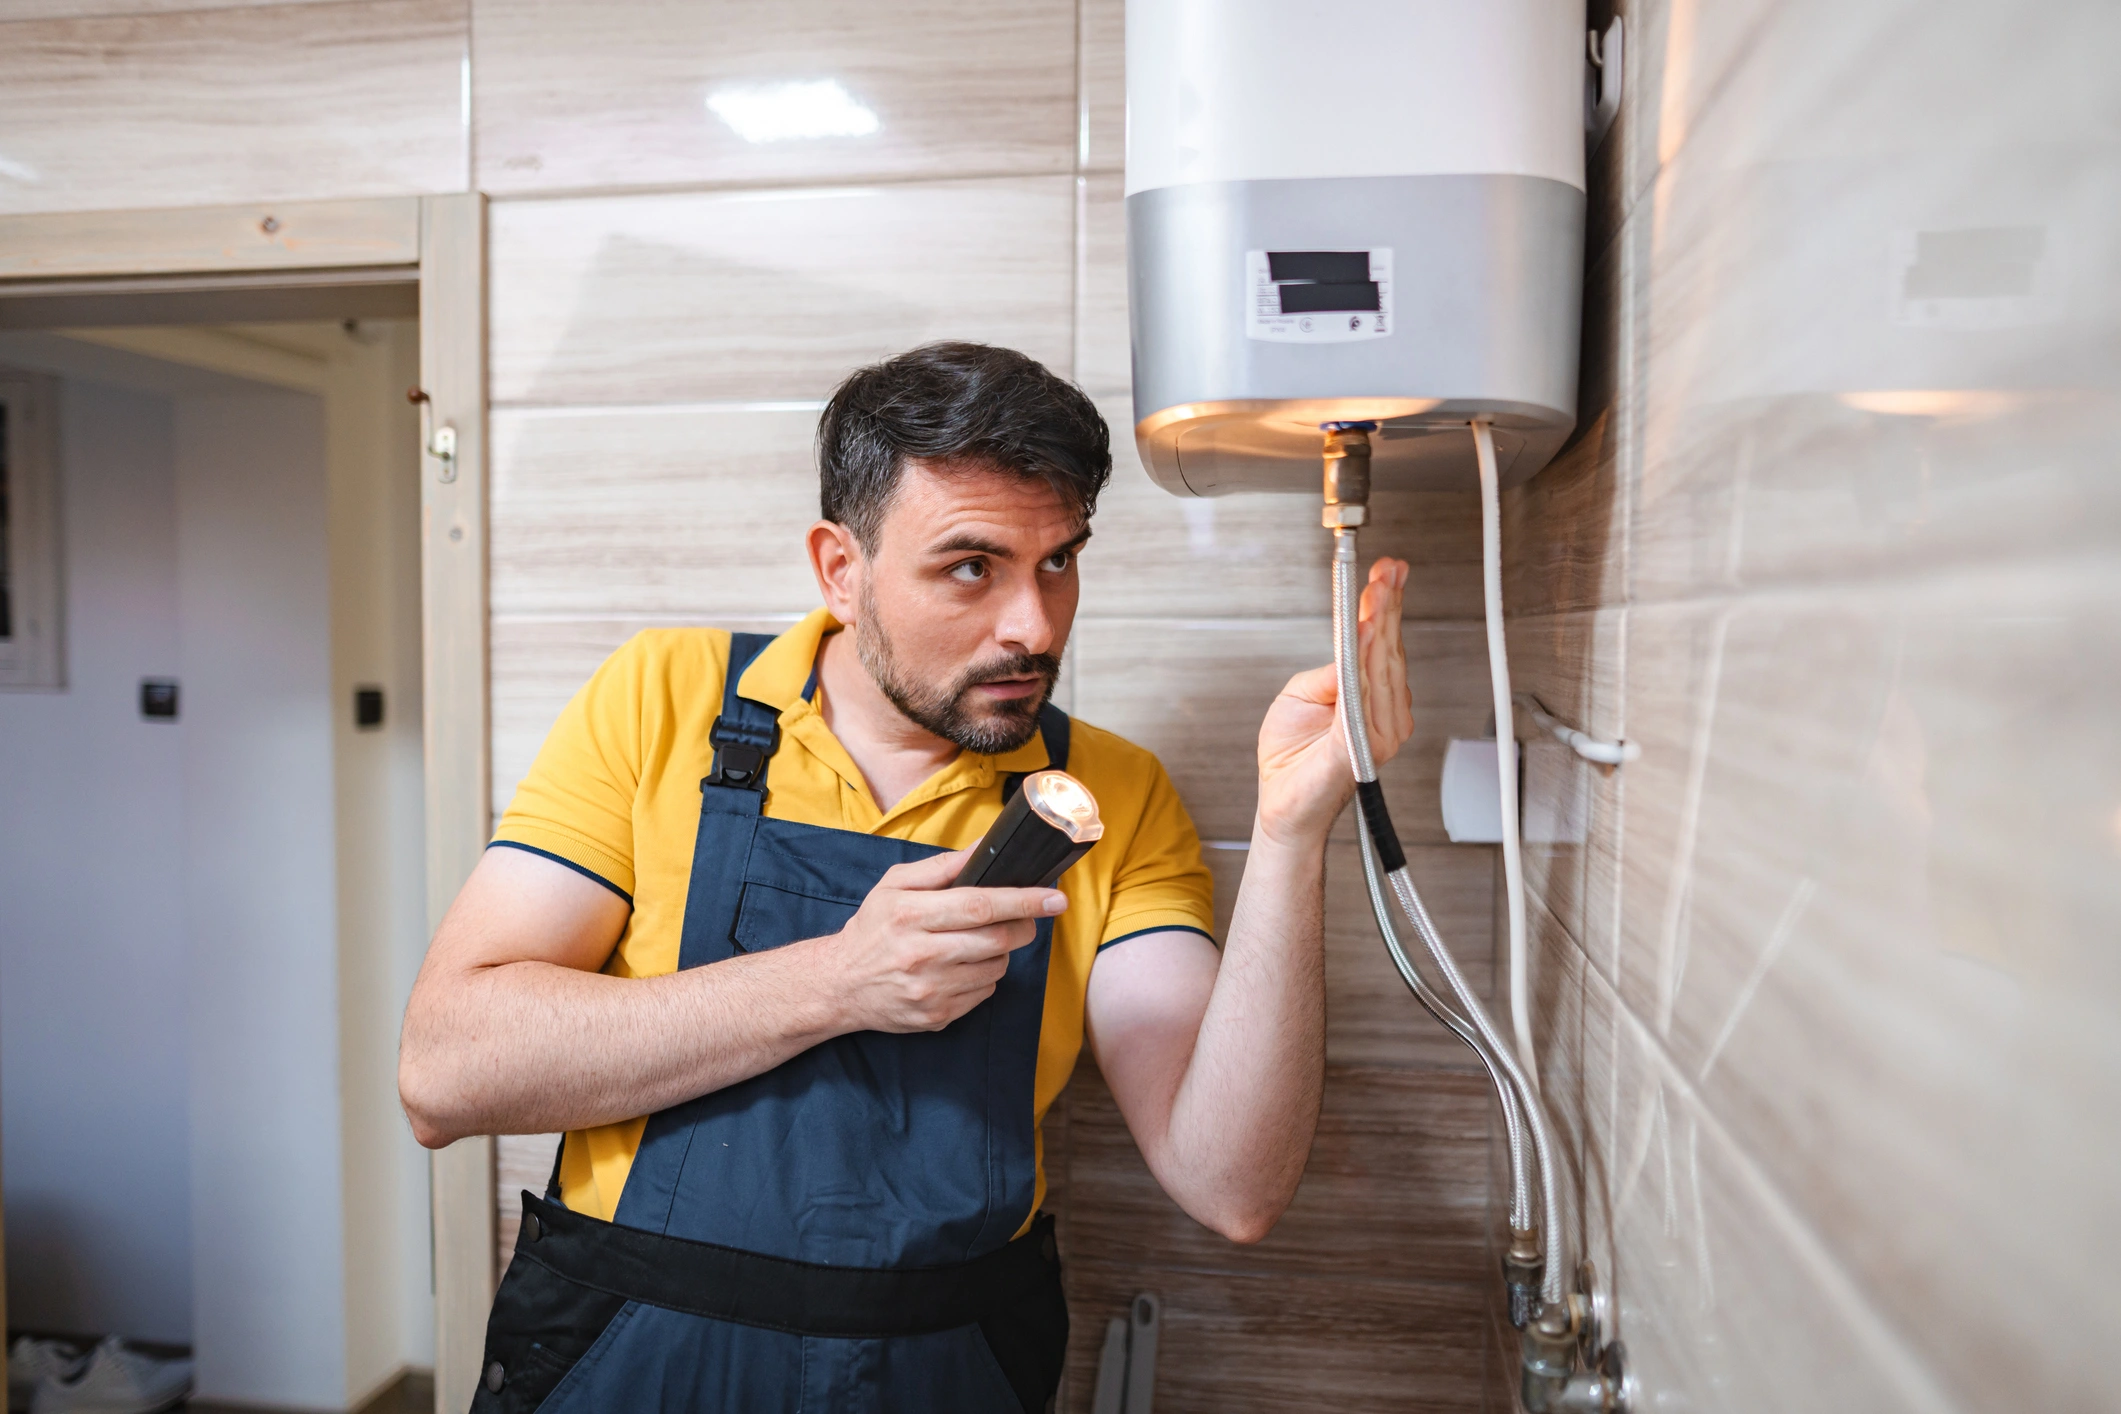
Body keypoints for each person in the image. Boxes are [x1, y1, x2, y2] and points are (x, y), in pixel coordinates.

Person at [398, 341, 1412, 1413]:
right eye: (971, 566)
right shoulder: (664, 701)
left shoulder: (1110, 791)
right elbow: (444, 1072)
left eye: (1059, 560)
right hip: (630, 1359)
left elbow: (1233, 1184)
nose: (1034, 624)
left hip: (944, 1371)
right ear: (841, 569)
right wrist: (837, 981)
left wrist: (1295, 829)